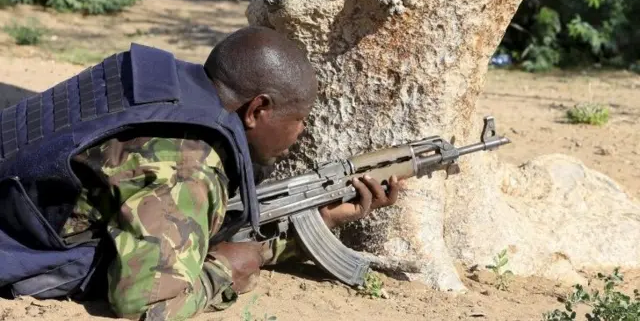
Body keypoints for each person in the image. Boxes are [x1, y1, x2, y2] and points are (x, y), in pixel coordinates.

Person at [0, 26, 402, 320]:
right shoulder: (186, 165)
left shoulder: (163, 86)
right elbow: (147, 303)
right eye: (298, 119)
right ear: (258, 109)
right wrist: (228, 269)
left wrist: (314, 226)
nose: (301, 132)